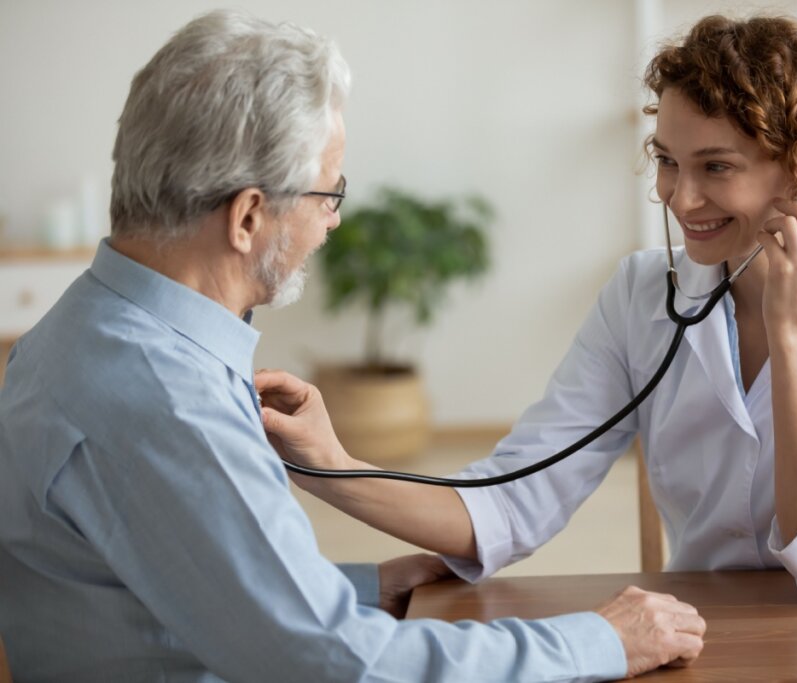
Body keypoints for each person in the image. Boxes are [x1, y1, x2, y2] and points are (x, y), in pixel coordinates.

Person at [0, 10, 706, 682]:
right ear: (248, 216)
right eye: (327, 192)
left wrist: (362, 586)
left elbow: (167, 583)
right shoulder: (161, 396)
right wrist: (598, 639)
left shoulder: (81, 332)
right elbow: (339, 664)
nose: (332, 221)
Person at [258, 14, 797, 605]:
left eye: (715, 167)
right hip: (709, 632)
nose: (678, 197)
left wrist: (793, 337)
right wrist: (330, 463)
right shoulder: (641, 296)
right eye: (668, 160)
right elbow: (511, 502)